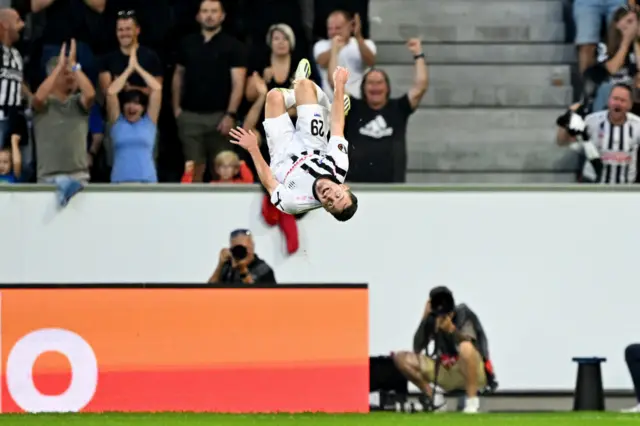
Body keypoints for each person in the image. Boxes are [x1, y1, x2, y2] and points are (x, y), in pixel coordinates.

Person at [230, 61, 357, 221]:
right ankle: (317, 100)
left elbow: (269, 182)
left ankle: (305, 97)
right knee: (305, 85)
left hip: (282, 155)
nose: (329, 195)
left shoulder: (294, 203)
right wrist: (339, 85)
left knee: (274, 96)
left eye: (330, 203)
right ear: (343, 186)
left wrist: (253, 148)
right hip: (312, 144)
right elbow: (338, 126)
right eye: (337, 195)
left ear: (326, 209)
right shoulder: (339, 166)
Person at [392, 287, 496, 414]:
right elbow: (417, 348)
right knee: (401, 358)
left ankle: (472, 403)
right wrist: (424, 319)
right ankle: (434, 399)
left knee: (465, 347)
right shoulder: (432, 319)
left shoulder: (463, 313)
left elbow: (470, 345)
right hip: (446, 369)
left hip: (473, 371)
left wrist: (452, 330)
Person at [556, 83, 640, 183]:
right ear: (608, 101)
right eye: (615, 98)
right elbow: (562, 142)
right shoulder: (591, 121)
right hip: (592, 185)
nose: (617, 103)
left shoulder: (637, 125)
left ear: (630, 105)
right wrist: (566, 119)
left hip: (626, 187)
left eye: (622, 100)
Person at [106, 46, 161, 183]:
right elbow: (111, 92)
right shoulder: (118, 123)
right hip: (120, 182)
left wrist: (137, 67)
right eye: (128, 103)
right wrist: (129, 70)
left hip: (147, 182)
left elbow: (157, 88)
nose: (132, 107)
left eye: (137, 103)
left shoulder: (149, 122)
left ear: (143, 108)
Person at [208, 229, 276, 285]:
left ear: (252, 246)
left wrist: (243, 270)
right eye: (237, 249)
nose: (241, 252)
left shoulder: (264, 269)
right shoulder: (228, 266)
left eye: (244, 248)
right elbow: (207, 293)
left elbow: (257, 296)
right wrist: (220, 265)